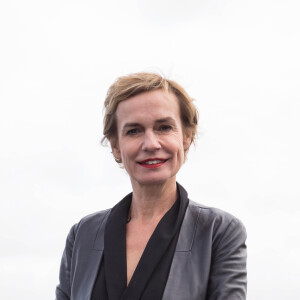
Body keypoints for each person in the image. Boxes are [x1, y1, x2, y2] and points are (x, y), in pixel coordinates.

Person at [55, 72, 247, 300]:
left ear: (186, 136)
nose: (151, 144)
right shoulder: (83, 235)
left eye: (164, 127)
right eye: (133, 131)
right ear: (116, 145)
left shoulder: (219, 232)